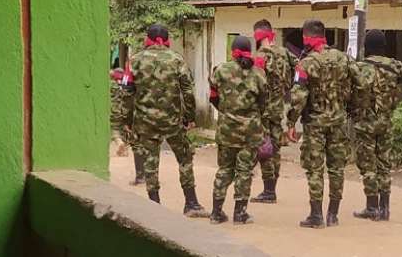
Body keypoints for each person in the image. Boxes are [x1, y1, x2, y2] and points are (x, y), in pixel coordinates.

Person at [123, 24, 208, 218]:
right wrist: (189, 118)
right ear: (166, 39)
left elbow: (127, 93)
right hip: (173, 121)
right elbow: (188, 91)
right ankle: (191, 203)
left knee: (150, 162)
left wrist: (127, 121)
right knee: (185, 158)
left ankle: (155, 205)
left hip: (145, 122)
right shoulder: (176, 59)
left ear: (148, 39)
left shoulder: (134, 61)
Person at [286, 19, 357, 228]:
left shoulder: (306, 64)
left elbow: (298, 97)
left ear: (307, 38)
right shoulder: (344, 59)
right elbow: (359, 84)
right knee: (337, 168)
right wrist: (352, 110)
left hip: (315, 124)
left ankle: (316, 215)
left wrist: (290, 123)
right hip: (338, 122)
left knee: (315, 169)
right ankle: (333, 215)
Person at [208, 36, 267, 225]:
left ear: (232, 51)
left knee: (224, 169)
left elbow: (213, 97)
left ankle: (216, 213)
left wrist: (227, 113)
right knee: (244, 171)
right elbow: (263, 103)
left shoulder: (220, 71)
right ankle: (240, 213)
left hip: (226, 129)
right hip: (250, 131)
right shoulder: (258, 74)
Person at [351, 30, 402, 221]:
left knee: (367, 164)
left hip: (365, 123)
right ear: (383, 46)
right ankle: (385, 208)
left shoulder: (360, 68)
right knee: (384, 163)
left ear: (367, 46)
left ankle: (371, 206)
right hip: (386, 122)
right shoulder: (396, 67)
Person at [250, 20, 297, 204]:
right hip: (279, 109)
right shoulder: (285, 53)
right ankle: (271, 190)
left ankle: (265, 189)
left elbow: (255, 83)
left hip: (263, 111)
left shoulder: (259, 57)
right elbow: (297, 71)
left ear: (257, 36)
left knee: (262, 149)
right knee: (275, 150)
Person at [109, 65, 145, 185]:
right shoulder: (127, 83)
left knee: (115, 130)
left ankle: (120, 143)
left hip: (115, 111)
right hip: (139, 114)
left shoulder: (111, 85)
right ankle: (147, 175)